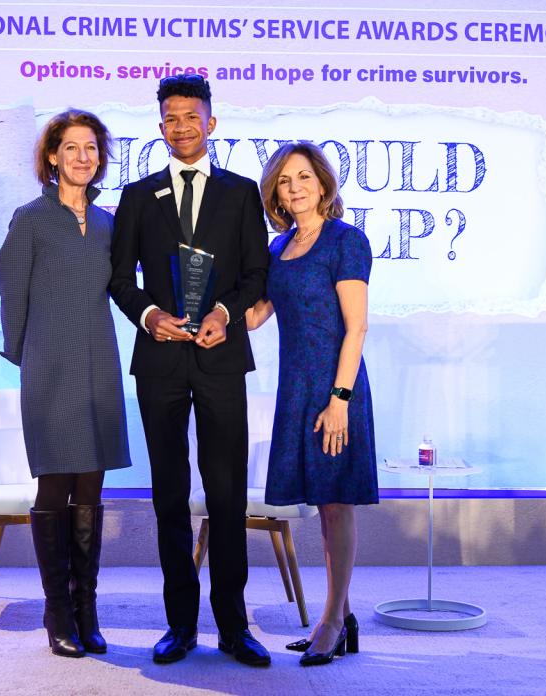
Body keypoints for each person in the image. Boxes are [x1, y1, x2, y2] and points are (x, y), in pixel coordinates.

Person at [110, 76, 271, 666]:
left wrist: (227, 313)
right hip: (159, 363)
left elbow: (258, 273)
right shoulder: (137, 195)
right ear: (160, 127)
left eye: (191, 116)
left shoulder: (241, 192)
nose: (181, 126)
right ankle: (180, 625)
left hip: (222, 358)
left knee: (228, 494)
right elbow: (119, 279)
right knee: (170, 495)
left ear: (212, 122)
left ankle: (234, 626)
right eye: (171, 118)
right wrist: (149, 314)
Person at [0, 109, 131, 658]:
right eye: (71, 147)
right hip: (49, 364)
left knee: (91, 489)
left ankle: (86, 610)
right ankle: (57, 614)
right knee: (54, 486)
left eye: (91, 148)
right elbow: (13, 296)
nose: (83, 157)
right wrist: (32, 356)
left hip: (99, 360)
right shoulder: (29, 218)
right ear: (52, 156)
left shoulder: (107, 222)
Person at [247, 142, 378, 667]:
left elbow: (357, 325)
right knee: (320, 507)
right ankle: (340, 618)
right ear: (275, 192)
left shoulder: (346, 241)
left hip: (334, 389)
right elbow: (256, 316)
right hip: (296, 390)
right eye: (284, 180)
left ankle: (330, 620)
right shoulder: (278, 248)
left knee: (336, 504)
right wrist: (199, 310)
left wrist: (340, 399)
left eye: (304, 176)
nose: (295, 187)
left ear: (324, 184)